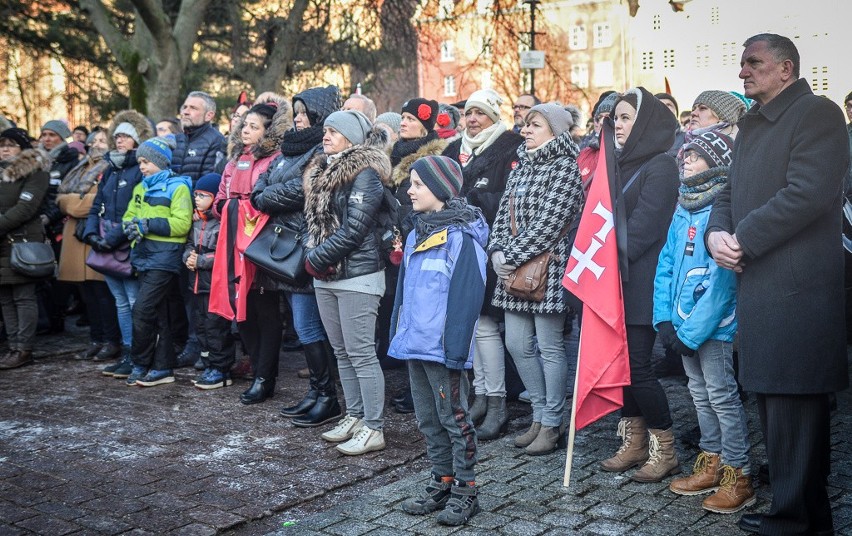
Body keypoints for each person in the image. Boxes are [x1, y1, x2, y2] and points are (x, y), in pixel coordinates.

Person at [706, 33, 849, 535]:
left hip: (798, 290)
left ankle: (797, 520)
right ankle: (798, 515)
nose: (743, 71)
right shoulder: (751, 123)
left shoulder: (818, 113)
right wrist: (716, 234)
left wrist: (743, 239)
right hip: (763, 284)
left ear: (785, 69)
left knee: (795, 406)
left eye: (754, 63)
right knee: (776, 403)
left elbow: (808, 192)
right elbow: (728, 189)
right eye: (742, 62)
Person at [653, 131, 754, 514]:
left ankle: (738, 471)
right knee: (698, 392)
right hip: (680, 323)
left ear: (715, 162)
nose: (686, 161)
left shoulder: (724, 208)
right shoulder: (684, 204)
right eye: (685, 156)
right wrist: (664, 318)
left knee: (722, 395)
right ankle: (711, 460)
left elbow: (723, 282)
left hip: (713, 325)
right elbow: (666, 263)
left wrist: (693, 332)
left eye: (695, 157)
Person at [390, 155, 487, 526]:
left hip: (443, 349)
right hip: (415, 343)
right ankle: (442, 480)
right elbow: (404, 291)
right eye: (410, 183)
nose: (409, 190)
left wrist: (456, 351)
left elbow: (466, 300)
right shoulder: (416, 233)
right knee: (428, 418)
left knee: (454, 418)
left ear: (441, 190)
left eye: (417, 184)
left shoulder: (461, 239)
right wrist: (398, 331)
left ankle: (466, 488)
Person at [488, 103, 584, 454]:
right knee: (516, 344)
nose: (526, 130)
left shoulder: (565, 169)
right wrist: (496, 250)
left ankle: (553, 422)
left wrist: (508, 256)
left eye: (535, 125)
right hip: (513, 272)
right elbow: (501, 215)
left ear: (555, 132)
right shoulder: (521, 166)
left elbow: (550, 225)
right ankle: (539, 415)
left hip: (550, 270)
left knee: (550, 347)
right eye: (526, 124)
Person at [597, 87, 681, 483]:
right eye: (616, 117)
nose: (618, 124)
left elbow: (646, 227)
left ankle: (665, 450)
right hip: (617, 281)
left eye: (627, 117)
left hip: (642, 282)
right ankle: (633, 444)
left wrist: (601, 253)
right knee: (622, 366)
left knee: (639, 368)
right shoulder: (617, 163)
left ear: (645, 122)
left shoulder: (661, 166)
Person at [296, 110, 390, 455]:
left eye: (334, 131)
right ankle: (355, 415)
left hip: (358, 275)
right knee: (341, 352)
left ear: (351, 137)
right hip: (327, 274)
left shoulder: (365, 173)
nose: (326, 135)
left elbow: (356, 228)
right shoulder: (322, 171)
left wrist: (316, 258)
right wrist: (316, 257)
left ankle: (375, 427)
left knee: (361, 353)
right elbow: (313, 221)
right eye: (326, 130)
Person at [250, 85, 343, 426]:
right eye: (298, 112)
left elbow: (300, 190)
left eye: (307, 113)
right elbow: (259, 185)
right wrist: (265, 194)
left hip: (304, 243)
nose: (300, 119)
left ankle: (327, 396)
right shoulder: (289, 149)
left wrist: (265, 195)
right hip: (283, 244)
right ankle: (318, 392)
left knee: (308, 325)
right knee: (303, 325)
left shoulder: (322, 149)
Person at [443, 88, 525, 438]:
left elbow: (504, 200)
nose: (472, 120)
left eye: (480, 113)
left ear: (493, 116)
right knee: (472, 325)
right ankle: (479, 394)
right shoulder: (453, 150)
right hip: (456, 248)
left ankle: (497, 402)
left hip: (489, 247)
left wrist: (469, 198)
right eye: (469, 113)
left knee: (488, 325)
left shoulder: (508, 146)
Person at [211, 98, 290, 404]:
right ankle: (257, 367)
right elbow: (220, 198)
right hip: (232, 245)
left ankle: (265, 376)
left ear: (268, 132)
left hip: (261, 245)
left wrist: (240, 207)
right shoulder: (233, 162)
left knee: (265, 311)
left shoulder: (274, 161)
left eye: (253, 126)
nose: (245, 130)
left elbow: (270, 200)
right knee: (239, 308)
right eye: (245, 124)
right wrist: (228, 206)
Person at [382, 98, 445, 413]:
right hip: (393, 246)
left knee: (416, 316)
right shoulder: (392, 157)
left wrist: (401, 228)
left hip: (416, 243)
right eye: (402, 117)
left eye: (409, 118)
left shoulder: (432, 159)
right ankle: (407, 382)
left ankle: (419, 389)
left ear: (425, 125)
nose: (402, 123)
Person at [86, 110, 152, 379]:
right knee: (120, 302)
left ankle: (140, 354)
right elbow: (96, 205)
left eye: (126, 135)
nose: (120, 140)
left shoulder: (141, 169)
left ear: (137, 140)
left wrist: (109, 240)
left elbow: (138, 211)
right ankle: (127, 352)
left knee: (135, 301)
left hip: (128, 244)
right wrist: (91, 234)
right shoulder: (110, 170)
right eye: (118, 136)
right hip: (106, 244)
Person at [122, 136, 193, 387]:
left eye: (147, 162)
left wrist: (148, 225)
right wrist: (129, 226)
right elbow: (131, 213)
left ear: (161, 162)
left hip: (165, 257)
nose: (142, 166)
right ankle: (162, 366)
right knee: (159, 312)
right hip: (143, 255)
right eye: (140, 161)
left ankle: (140, 362)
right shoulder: (141, 186)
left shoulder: (178, 187)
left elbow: (182, 224)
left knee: (142, 309)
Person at [56, 123, 118, 362]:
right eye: (94, 141)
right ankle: (96, 338)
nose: (96, 145)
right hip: (76, 236)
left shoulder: (110, 168)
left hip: (96, 234)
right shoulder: (81, 167)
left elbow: (95, 202)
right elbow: (60, 198)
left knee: (103, 294)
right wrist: (74, 202)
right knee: (88, 294)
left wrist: (73, 203)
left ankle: (110, 340)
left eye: (102, 141)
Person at [0, 128, 50, 370]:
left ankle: (24, 349)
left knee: (23, 296)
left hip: (21, 242)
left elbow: (25, 209)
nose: (5, 149)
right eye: (2, 144)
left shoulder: (36, 171)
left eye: (11, 144)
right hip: (2, 242)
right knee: (6, 297)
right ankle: (12, 347)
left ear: (23, 148)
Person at [183, 173, 235, 389]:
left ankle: (222, 370)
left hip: (214, 286)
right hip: (196, 284)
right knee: (201, 326)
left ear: (215, 198)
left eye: (203, 195)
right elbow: (187, 245)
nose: (197, 199)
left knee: (216, 328)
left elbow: (225, 252)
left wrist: (202, 260)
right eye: (196, 194)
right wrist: (188, 257)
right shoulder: (196, 221)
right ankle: (208, 364)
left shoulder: (221, 222)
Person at [655, 92, 685, 157]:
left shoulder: (686, 138)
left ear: (676, 112)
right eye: (660, 104)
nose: (665, 107)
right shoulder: (642, 139)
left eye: (668, 105)